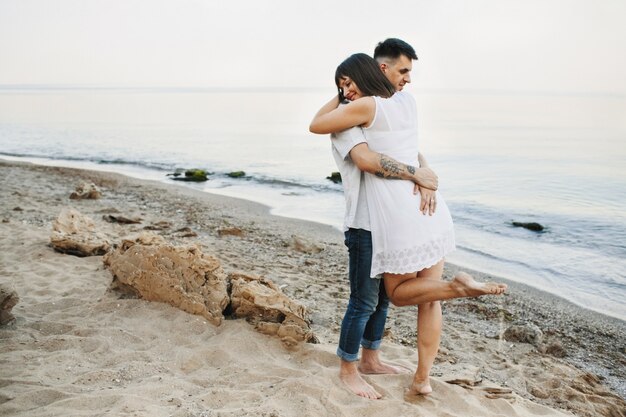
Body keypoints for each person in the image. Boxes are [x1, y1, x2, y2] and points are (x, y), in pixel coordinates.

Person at [310, 49, 507, 398]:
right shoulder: (348, 122)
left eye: (349, 83)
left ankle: (371, 359)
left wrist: (420, 174)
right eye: (341, 87)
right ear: (382, 69)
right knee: (364, 301)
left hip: (392, 221)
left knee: (384, 300)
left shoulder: (383, 110)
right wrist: (419, 175)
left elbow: (406, 150)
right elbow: (365, 158)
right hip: (365, 223)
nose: (346, 92)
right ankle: (348, 368)